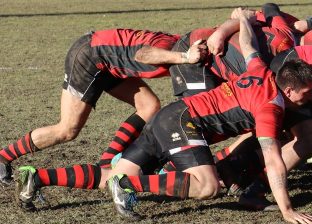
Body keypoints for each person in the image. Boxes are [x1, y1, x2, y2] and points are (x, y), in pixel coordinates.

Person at [17, 11, 312, 224]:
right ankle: (129, 186)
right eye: (306, 93)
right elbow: (274, 160)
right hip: (182, 123)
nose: (309, 99)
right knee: (207, 186)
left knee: (110, 176)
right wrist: (287, 210)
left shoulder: (260, 70)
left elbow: (250, 44)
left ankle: (38, 176)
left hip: (168, 118)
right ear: (288, 88)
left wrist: (242, 19)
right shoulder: (270, 106)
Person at [0, 29, 208, 184]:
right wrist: (185, 58)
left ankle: (106, 164)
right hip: (89, 58)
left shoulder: (179, 45)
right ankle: (3, 157)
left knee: (149, 106)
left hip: (107, 64)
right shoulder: (173, 50)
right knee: (67, 129)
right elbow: (142, 55)